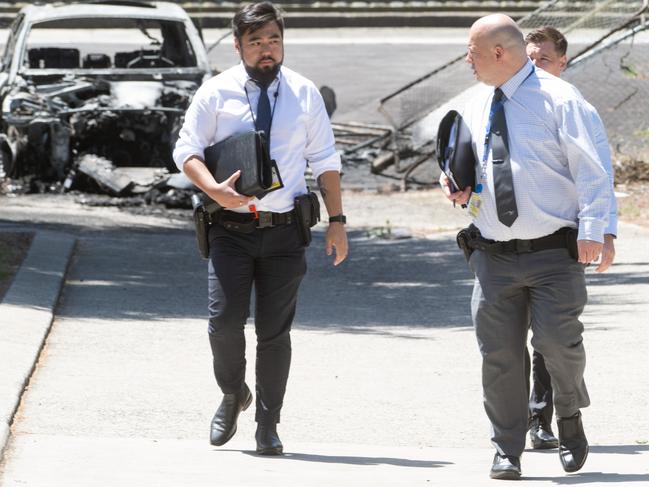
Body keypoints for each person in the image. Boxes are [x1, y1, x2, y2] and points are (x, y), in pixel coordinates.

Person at [441, 14, 612, 479]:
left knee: (559, 345)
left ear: (499, 53)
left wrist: (597, 231)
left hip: (555, 253)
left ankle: (570, 416)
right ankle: (506, 447)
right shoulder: (474, 105)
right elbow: (467, 166)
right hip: (492, 254)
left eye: (472, 52)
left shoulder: (560, 100)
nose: (467, 61)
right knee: (498, 355)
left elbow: (592, 168)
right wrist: (454, 183)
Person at [173, 1, 348, 455]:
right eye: (256, 43)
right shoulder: (216, 92)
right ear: (238, 46)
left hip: (285, 231)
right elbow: (186, 150)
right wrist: (215, 190)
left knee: (274, 333)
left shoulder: (304, 93)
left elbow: (326, 161)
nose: (266, 50)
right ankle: (234, 392)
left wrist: (338, 222)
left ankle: (268, 426)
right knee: (224, 325)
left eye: (273, 40)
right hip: (230, 228)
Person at [523, 25, 618, 451]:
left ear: (563, 63)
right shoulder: (506, 105)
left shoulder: (577, 106)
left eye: (542, 59)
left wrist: (605, 232)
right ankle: (535, 417)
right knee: (516, 336)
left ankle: (543, 416)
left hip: (563, 239)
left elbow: (598, 172)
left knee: (550, 334)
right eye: (528, 58)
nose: (534, 66)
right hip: (509, 241)